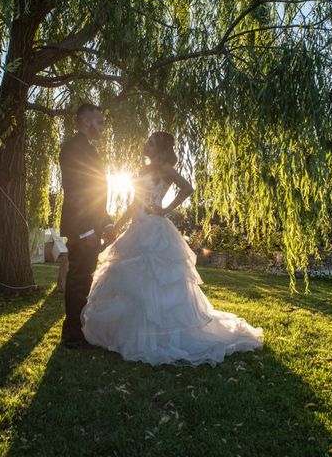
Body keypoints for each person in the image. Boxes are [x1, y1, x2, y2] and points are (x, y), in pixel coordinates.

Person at [81, 131, 263, 365]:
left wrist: (165, 210)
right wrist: (116, 226)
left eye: (150, 142)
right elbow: (134, 202)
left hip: (154, 229)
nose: (145, 144)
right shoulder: (142, 170)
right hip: (136, 227)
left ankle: (160, 336)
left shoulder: (165, 168)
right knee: (133, 281)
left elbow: (187, 188)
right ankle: (130, 333)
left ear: (158, 148)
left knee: (156, 280)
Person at [59, 104, 116, 348]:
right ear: (85, 122)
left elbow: (96, 192)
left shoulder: (89, 150)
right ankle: (72, 336)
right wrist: (86, 230)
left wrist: (106, 221)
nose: (102, 126)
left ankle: (81, 330)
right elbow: (75, 192)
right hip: (82, 229)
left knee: (85, 280)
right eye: (99, 121)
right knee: (79, 279)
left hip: (92, 226)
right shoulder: (73, 148)